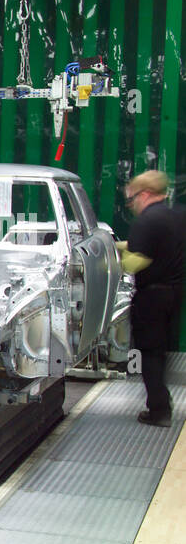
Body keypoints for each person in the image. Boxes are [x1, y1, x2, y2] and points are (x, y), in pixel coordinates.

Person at [119, 170, 185, 427]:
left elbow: (137, 262)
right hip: (173, 294)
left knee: (150, 354)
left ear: (144, 194)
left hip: (152, 297)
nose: (131, 205)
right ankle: (162, 403)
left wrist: (108, 263)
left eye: (131, 199)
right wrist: (122, 245)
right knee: (160, 352)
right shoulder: (175, 216)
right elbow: (158, 247)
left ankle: (159, 411)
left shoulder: (147, 221)